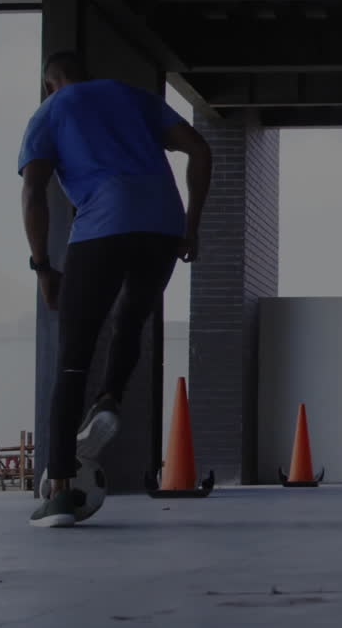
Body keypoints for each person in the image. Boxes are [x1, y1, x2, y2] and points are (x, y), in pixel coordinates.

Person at [18, 50, 213, 527]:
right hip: (163, 226)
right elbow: (199, 149)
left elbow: (33, 191)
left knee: (72, 356)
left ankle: (61, 489)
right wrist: (190, 227)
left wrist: (43, 267)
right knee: (132, 316)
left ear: (50, 84)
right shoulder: (134, 97)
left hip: (104, 224)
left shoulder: (50, 112)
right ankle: (110, 397)